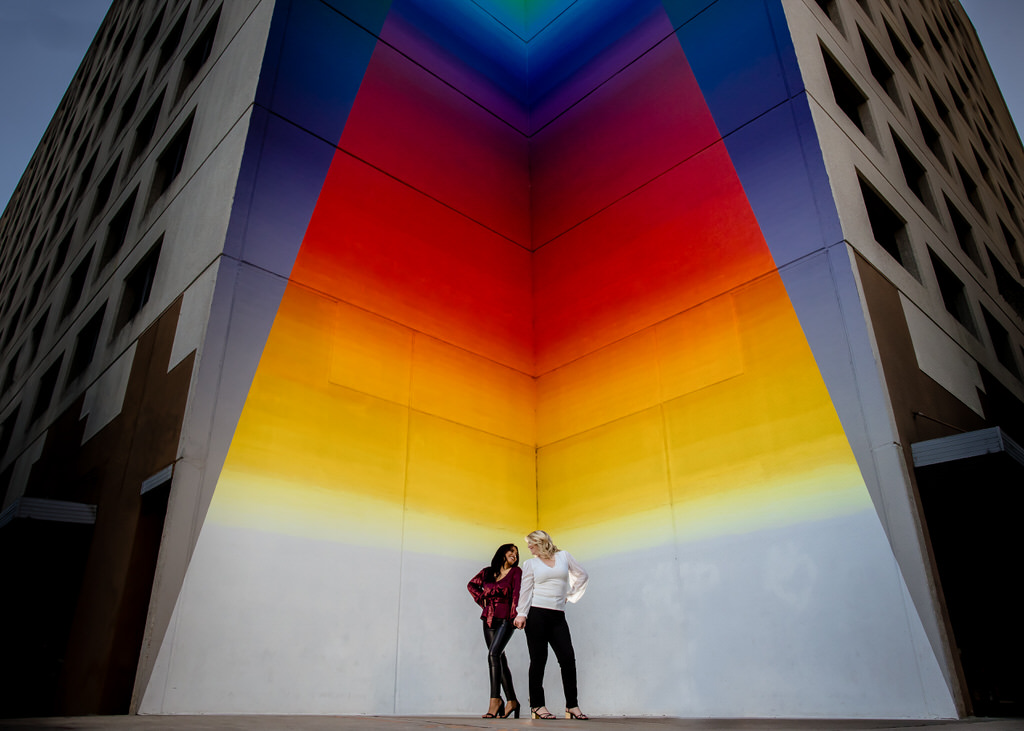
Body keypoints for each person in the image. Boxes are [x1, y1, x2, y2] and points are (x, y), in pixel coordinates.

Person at [513, 530, 589, 720]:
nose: (529, 548)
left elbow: (582, 575)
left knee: (568, 659)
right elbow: (526, 590)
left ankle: (572, 705)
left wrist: (569, 596)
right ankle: (537, 705)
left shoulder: (564, 556)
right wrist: (521, 613)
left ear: (541, 542)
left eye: (531, 544)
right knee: (539, 661)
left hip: (558, 616)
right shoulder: (530, 564)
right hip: (536, 614)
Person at [467, 543, 522, 719]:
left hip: (506, 617)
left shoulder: (516, 572)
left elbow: (517, 594)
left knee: (493, 655)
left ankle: (495, 700)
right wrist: (481, 599)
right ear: (502, 553)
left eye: (516, 552)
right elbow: (471, 585)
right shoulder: (488, 572)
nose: (514, 554)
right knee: (498, 656)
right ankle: (512, 701)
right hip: (488, 618)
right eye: (511, 551)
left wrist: (514, 616)